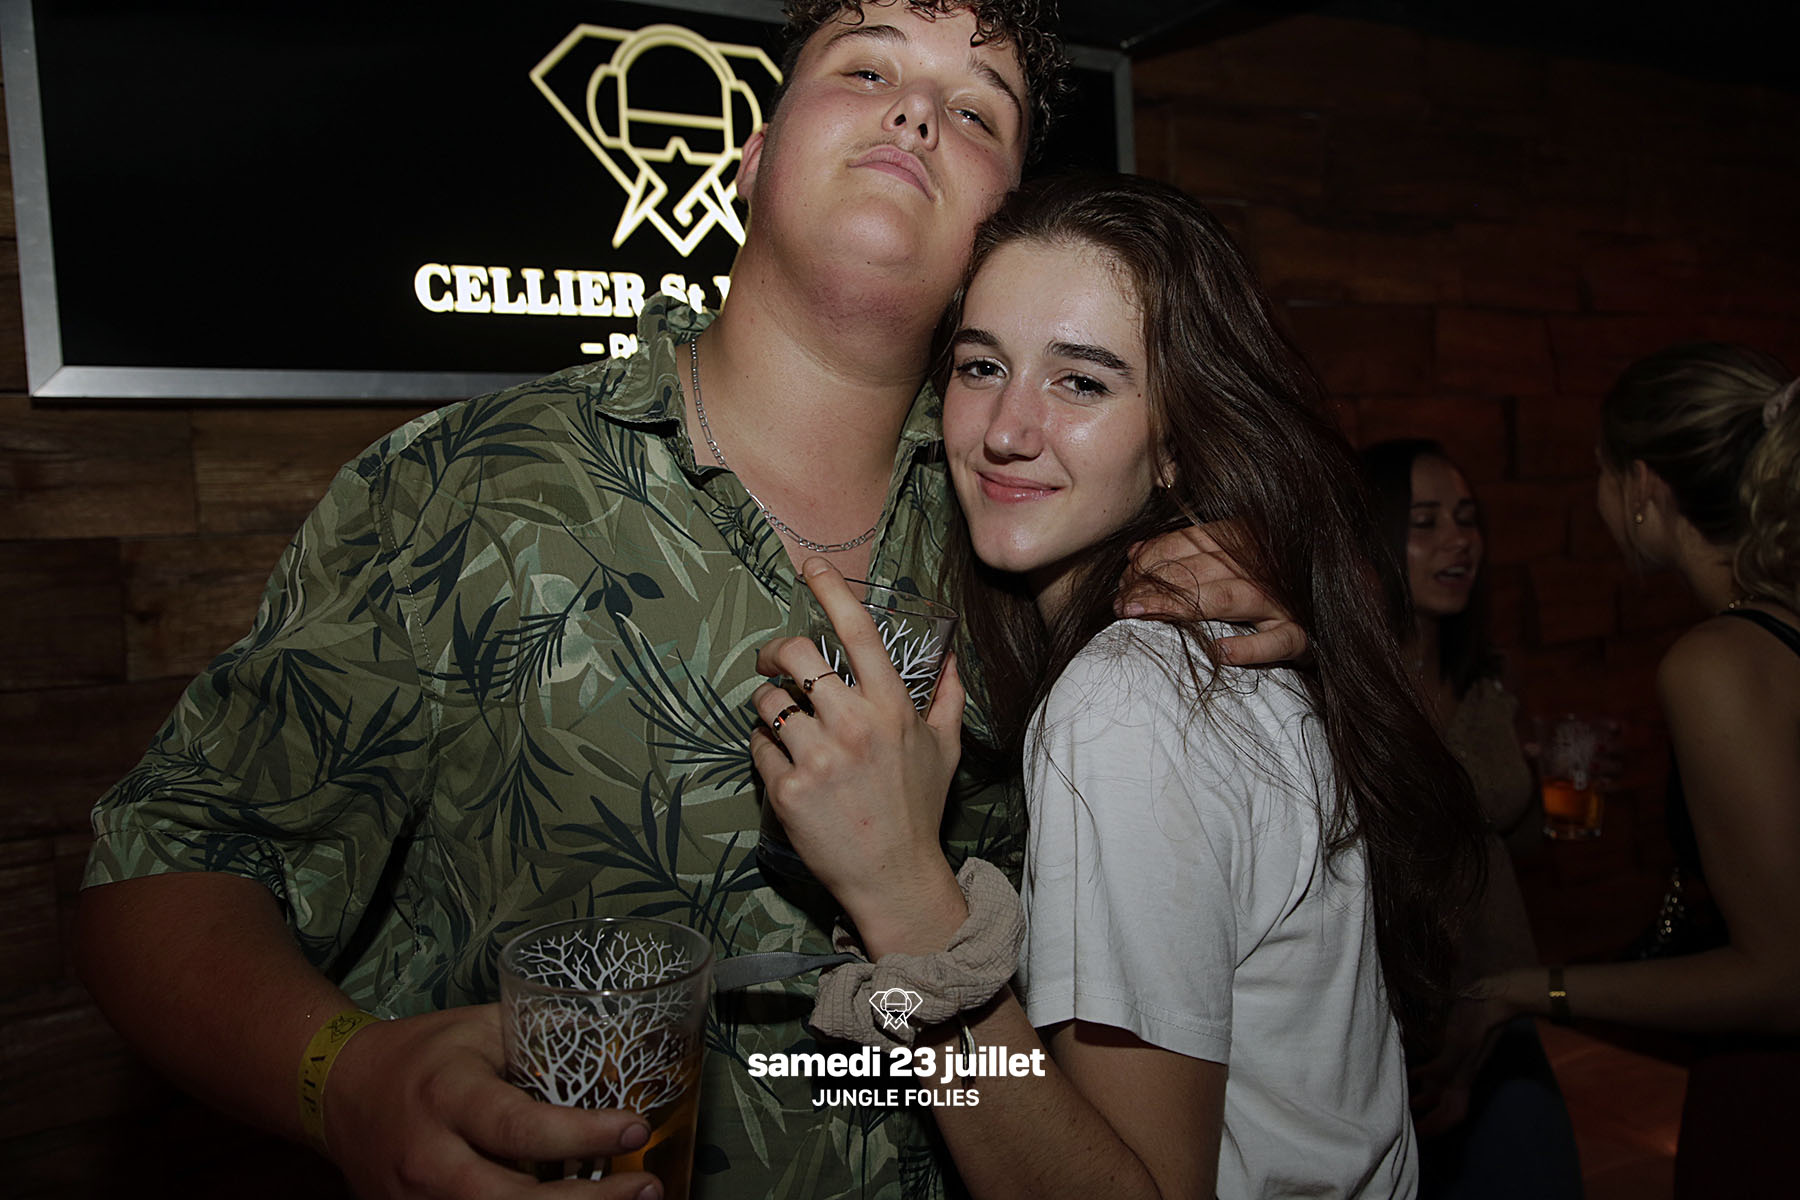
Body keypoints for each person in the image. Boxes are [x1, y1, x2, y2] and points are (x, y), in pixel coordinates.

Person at [73, 5, 1304, 1199]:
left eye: (978, 112)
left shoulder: (1041, 526)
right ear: (753, 158)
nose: (918, 116)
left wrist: (1252, 567)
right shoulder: (469, 488)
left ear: (1002, 234)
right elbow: (166, 866)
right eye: (867, 70)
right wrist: (341, 1080)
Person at [750, 173, 1486, 1198]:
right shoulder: (1191, 651)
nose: (1007, 429)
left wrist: (899, 891)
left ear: (1178, 442)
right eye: (981, 366)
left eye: (1082, 383)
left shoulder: (1130, 703)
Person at [1477, 342, 1800, 1193]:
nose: (1599, 496)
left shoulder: (1719, 660)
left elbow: (1781, 978)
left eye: (1601, 471)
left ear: (1645, 487)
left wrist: (1526, 991)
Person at [1360, 440, 1581, 1199]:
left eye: (1466, 518)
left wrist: (1542, 780)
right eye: (1424, 523)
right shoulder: (1352, 695)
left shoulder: (1488, 676)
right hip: (1402, 1028)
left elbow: (1507, 847)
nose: (1458, 542)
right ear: (1375, 541)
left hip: (1505, 1007)